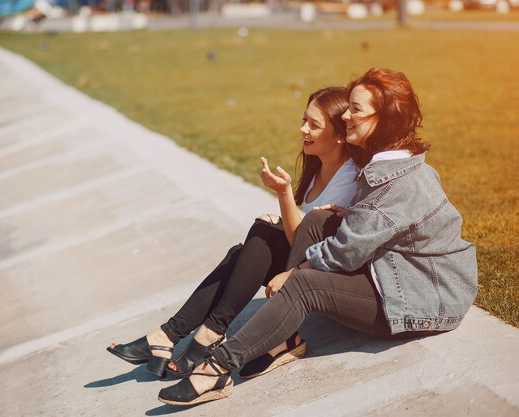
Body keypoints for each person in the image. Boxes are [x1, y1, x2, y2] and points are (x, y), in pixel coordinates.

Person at [157, 67, 478, 406]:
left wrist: (293, 272)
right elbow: (375, 228)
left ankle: (217, 369)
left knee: (303, 285)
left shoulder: (394, 183)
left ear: (384, 121)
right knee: (317, 221)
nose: (347, 117)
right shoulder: (393, 166)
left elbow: (345, 254)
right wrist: (345, 218)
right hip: (398, 270)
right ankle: (283, 338)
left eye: (356, 110)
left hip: (424, 296)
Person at [107, 86, 362, 379]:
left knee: (262, 236)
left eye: (314, 125)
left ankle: (190, 336)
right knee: (246, 250)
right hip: (306, 264)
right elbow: (302, 235)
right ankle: (171, 337)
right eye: (305, 119)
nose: (303, 128)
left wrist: (283, 195)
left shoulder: (349, 179)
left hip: (326, 279)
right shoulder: (317, 167)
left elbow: (305, 244)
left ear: (340, 134)